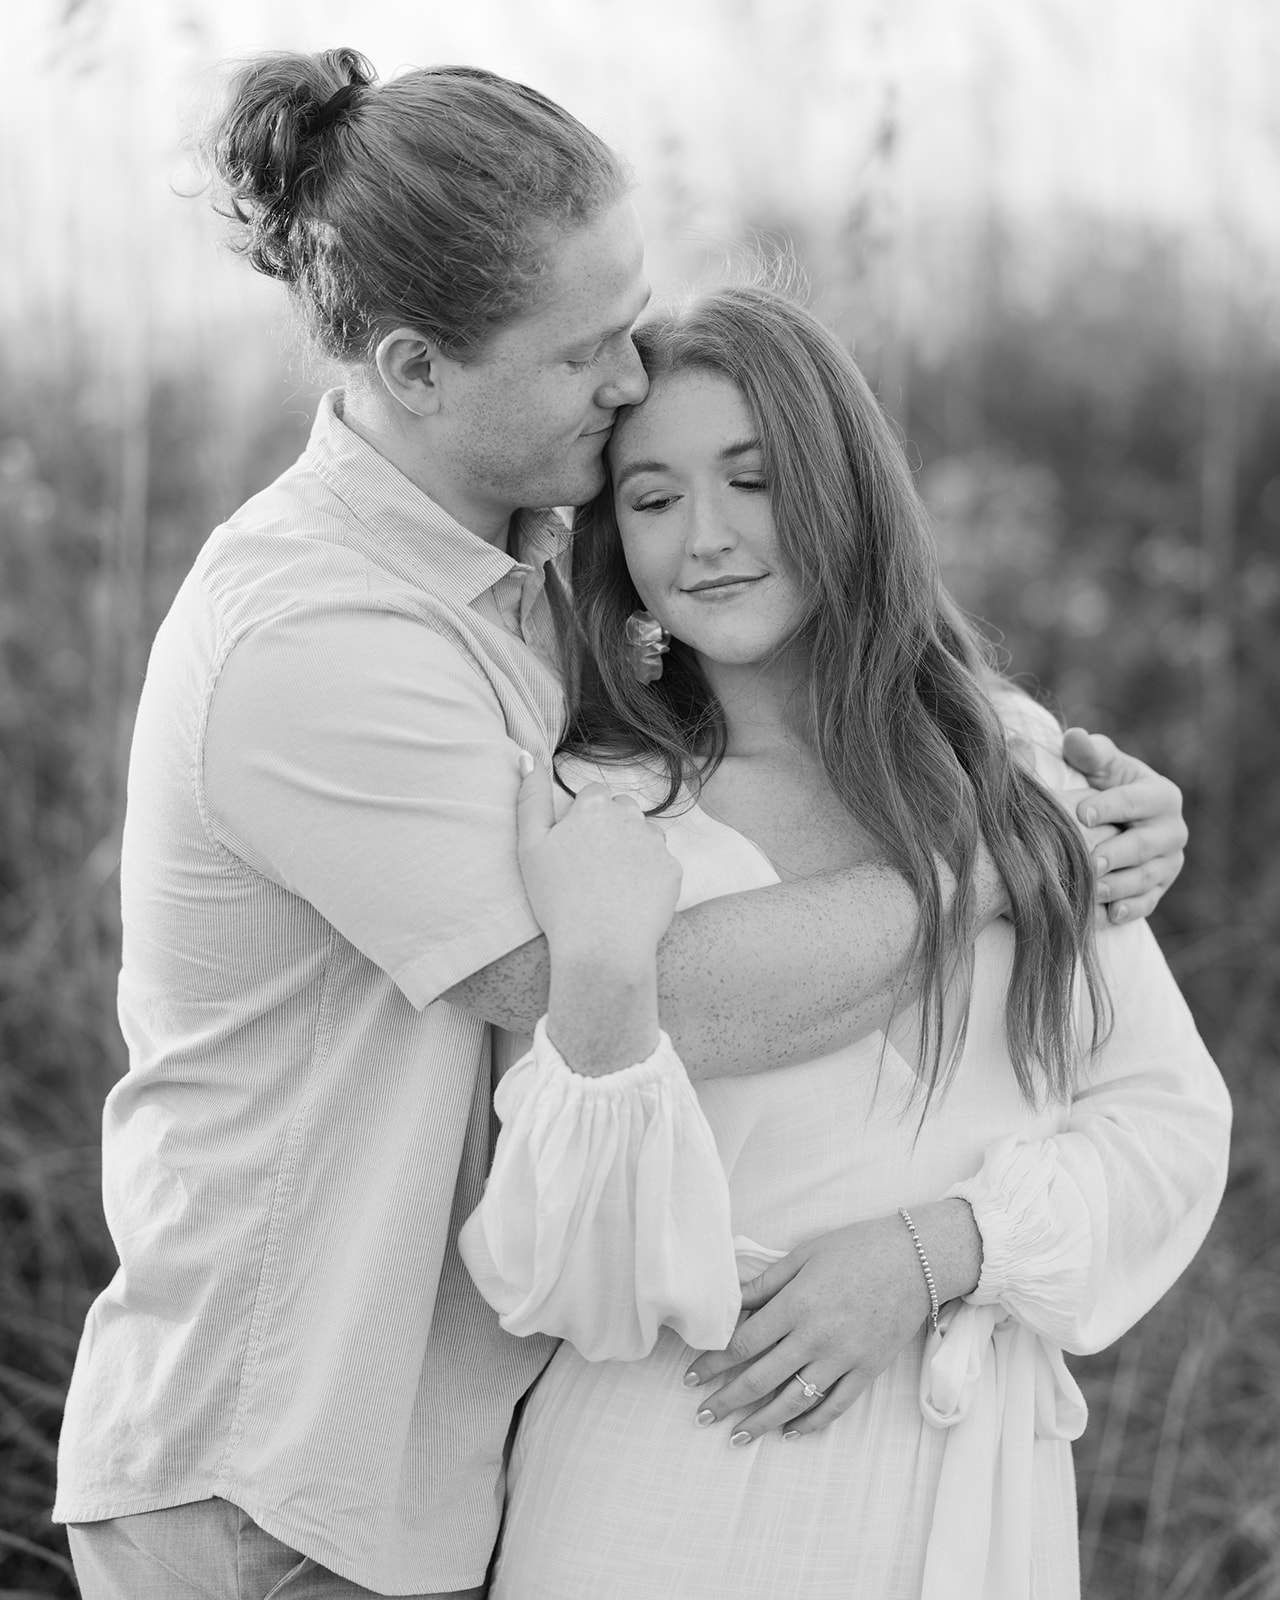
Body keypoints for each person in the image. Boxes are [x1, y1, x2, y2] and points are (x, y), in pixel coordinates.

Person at [53, 47, 1190, 1600]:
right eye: (587, 349)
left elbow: (1149, 1107)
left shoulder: (534, 568)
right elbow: (632, 1000)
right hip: (281, 1484)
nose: (629, 377)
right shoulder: (313, 638)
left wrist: (1056, 789)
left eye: (630, 314)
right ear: (412, 369)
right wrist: (1008, 854)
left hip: (462, 1470)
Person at [460, 284, 1232, 1599]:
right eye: (651, 499)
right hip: (678, 1468)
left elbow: (1166, 1122)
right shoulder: (601, 806)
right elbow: (546, 1254)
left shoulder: (1011, 762)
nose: (705, 538)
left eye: (752, 480)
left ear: (841, 486)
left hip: (963, 1487)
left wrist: (934, 1254)